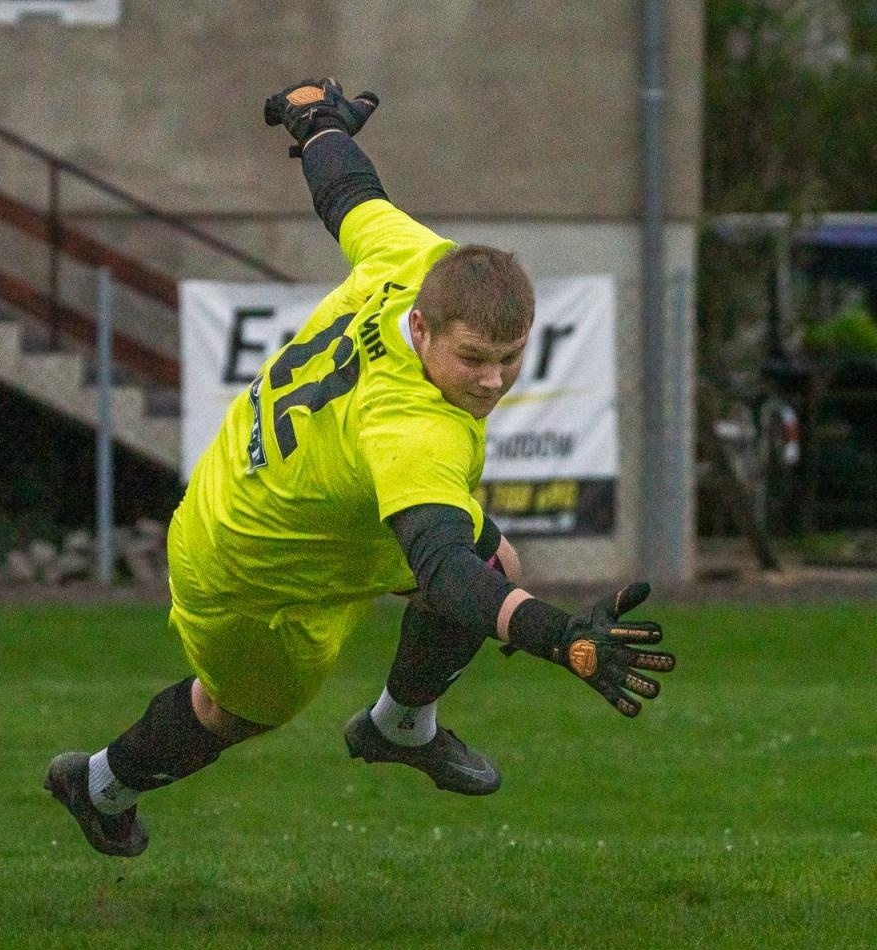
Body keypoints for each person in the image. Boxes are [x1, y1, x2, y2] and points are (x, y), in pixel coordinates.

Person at [44, 78, 677, 857]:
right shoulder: (413, 428)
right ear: (421, 325)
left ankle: (400, 727)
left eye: (510, 359)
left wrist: (315, 122)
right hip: (253, 568)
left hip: (300, 491)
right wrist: (556, 635)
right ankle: (101, 783)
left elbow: (346, 190)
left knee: (496, 558)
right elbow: (443, 573)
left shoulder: (419, 259)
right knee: (235, 711)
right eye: (473, 359)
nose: (491, 380)